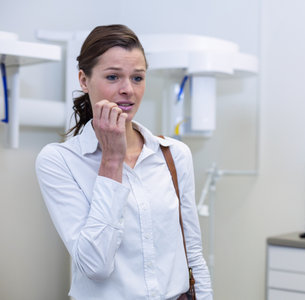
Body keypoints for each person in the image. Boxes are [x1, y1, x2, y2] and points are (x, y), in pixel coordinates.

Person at [35, 24, 212, 300]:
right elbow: (96, 266)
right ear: (84, 80)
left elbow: (194, 253)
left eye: (138, 78)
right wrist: (112, 160)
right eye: (113, 76)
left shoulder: (175, 155)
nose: (128, 89)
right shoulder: (58, 161)